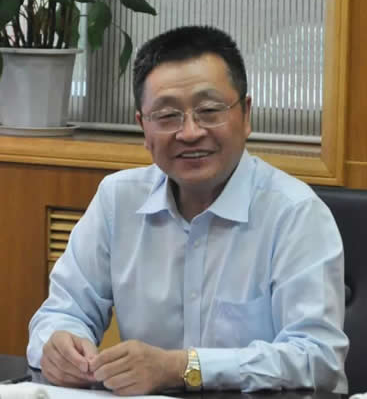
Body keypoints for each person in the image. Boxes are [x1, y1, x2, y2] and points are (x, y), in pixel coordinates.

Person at [27, 25, 349, 395]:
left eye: (209, 111)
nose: (190, 132)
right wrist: (61, 345)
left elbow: (318, 358)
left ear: (246, 115)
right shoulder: (118, 200)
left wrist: (183, 367)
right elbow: (60, 314)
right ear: (143, 128)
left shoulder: (295, 213)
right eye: (167, 116)